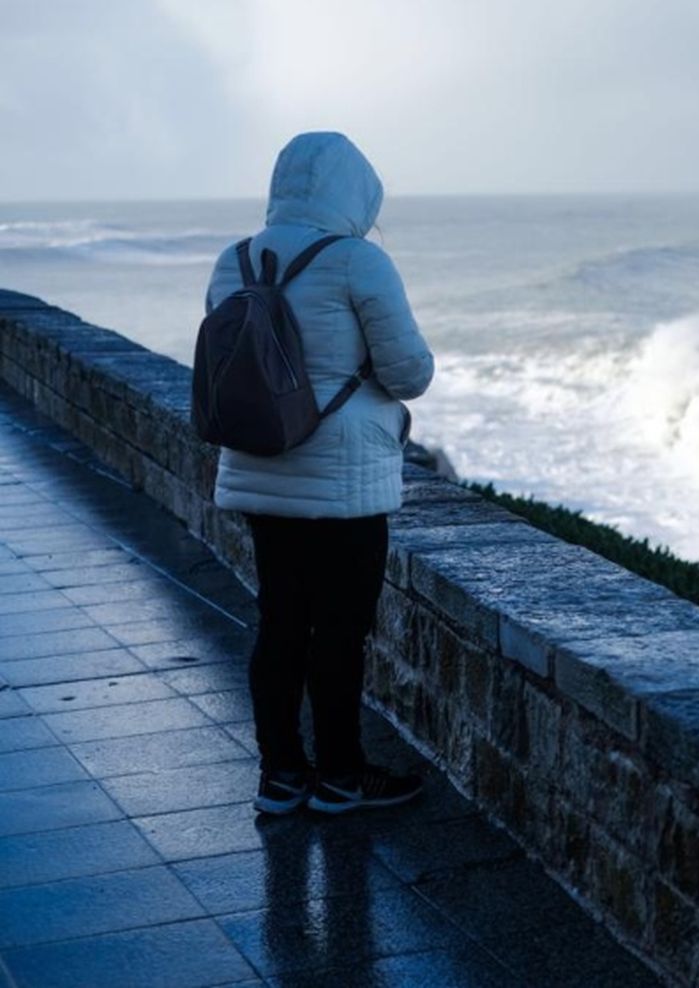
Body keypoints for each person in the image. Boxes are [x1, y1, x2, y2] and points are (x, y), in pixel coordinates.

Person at [204, 132, 434, 815]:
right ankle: (340, 775)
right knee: (339, 630)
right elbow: (409, 373)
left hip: (259, 464)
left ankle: (279, 775)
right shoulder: (359, 261)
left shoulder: (234, 259)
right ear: (356, 191)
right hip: (344, 479)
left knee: (278, 622)